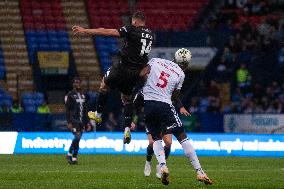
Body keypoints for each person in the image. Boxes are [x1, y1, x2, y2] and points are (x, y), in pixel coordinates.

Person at [72, 11, 154, 144]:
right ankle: (127, 128)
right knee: (126, 99)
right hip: (134, 74)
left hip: (121, 68)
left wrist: (85, 31)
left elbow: (107, 32)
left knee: (104, 85)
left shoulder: (132, 29)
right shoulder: (151, 35)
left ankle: (97, 115)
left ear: (135, 21)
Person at [142, 48, 213, 185]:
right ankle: (199, 171)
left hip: (149, 105)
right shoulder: (180, 74)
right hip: (165, 106)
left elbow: (144, 74)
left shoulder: (156, 61)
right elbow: (175, 96)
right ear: (186, 64)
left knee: (156, 138)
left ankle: (162, 166)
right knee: (182, 136)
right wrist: (177, 103)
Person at [65, 77, 90, 164]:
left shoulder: (83, 95)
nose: (78, 84)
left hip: (82, 121)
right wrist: (69, 122)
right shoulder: (70, 95)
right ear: (73, 84)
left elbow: (85, 110)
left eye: (79, 82)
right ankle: (69, 153)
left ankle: (74, 157)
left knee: (78, 139)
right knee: (77, 136)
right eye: (76, 82)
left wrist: (87, 123)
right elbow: (67, 110)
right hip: (74, 120)